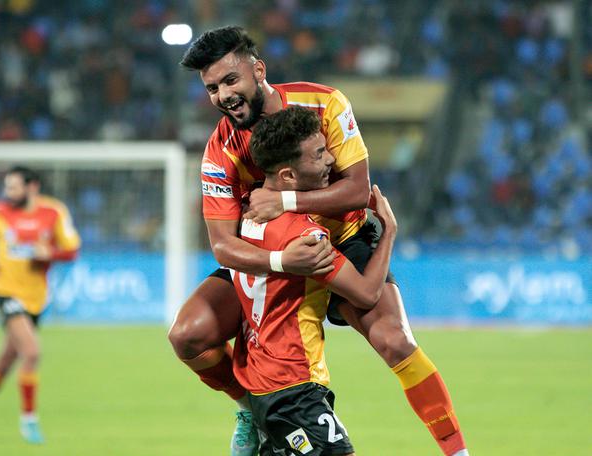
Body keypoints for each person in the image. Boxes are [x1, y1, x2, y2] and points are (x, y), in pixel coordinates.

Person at [169, 26, 468, 456]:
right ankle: (249, 410)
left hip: (342, 238)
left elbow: (358, 189)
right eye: (212, 88)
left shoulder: (325, 102)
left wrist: (285, 200)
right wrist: (284, 261)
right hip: (280, 255)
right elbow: (222, 245)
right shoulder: (221, 149)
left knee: (395, 340)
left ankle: (458, 452)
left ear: (258, 70)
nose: (223, 96)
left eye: (230, 80)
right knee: (188, 334)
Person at [233, 106, 398, 455]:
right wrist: (389, 233)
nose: (331, 160)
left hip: (261, 381)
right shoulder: (305, 239)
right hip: (292, 384)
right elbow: (367, 294)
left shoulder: (247, 214)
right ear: (289, 177)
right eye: (319, 153)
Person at [0, 165, 81, 447]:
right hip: (5, 292)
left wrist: (49, 253)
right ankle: (29, 420)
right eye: (7, 187)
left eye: (14, 187)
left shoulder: (53, 212)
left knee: (6, 361)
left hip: (36, 298)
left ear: (33, 187)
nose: (8, 193)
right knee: (31, 351)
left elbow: (72, 250)